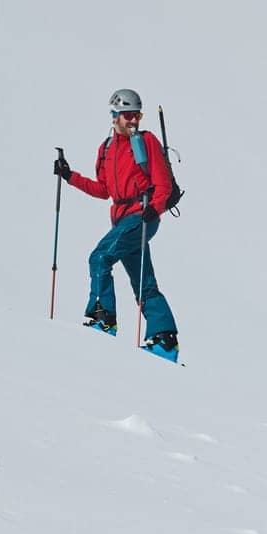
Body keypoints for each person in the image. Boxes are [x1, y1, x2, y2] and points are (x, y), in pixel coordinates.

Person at [54, 88, 180, 359]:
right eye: (129, 116)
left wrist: (154, 209)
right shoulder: (107, 149)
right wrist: (69, 176)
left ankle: (103, 319)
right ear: (115, 116)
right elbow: (103, 190)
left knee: (100, 257)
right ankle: (164, 340)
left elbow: (162, 183)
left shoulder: (146, 142)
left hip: (142, 215)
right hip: (122, 219)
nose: (134, 121)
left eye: (138, 115)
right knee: (143, 281)